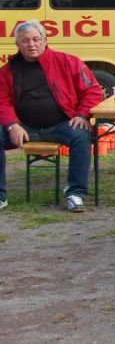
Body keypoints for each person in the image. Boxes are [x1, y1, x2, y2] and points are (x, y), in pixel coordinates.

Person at [0, 21, 104, 212]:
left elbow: (93, 91)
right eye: (25, 40)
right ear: (17, 44)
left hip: (62, 124)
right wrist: (12, 125)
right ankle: (1, 196)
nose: (31, 44)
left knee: (81, 136)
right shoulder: (8, 70)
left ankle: (76, 193)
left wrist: (82, 114)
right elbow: (2, 102)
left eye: (36, 39)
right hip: (25, 127)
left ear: (45, 40)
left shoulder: (68, 62)